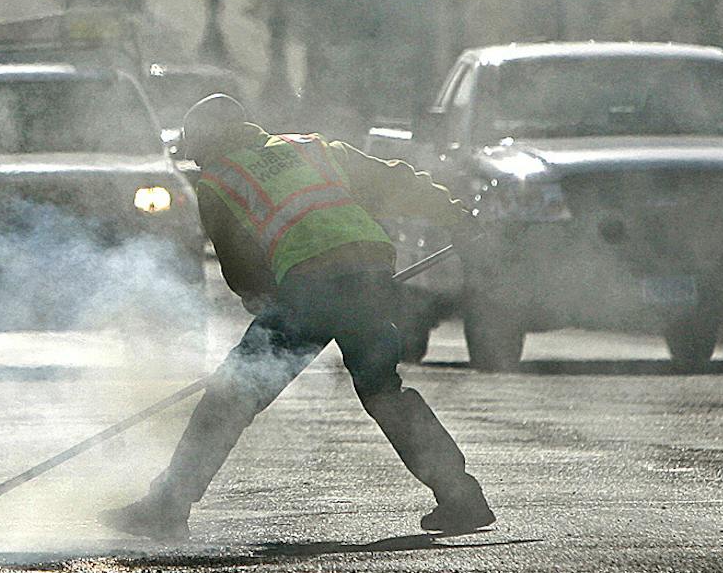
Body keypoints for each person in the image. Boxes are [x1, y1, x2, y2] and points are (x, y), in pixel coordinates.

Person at [101, 93, 494, 541]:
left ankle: (168, 506)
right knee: (383, 389)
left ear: (206, 144)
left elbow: (241, 270)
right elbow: (397, 181)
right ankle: (460, 496)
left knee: (230, 396)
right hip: (370, 271)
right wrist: (459, 220)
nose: (198, 164)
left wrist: (266, 303)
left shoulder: (218, 182)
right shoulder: (310, 147)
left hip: (310, 287)